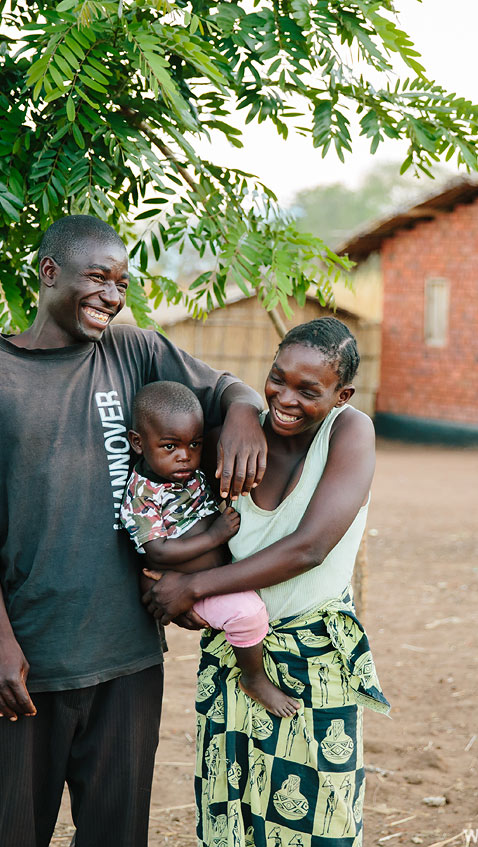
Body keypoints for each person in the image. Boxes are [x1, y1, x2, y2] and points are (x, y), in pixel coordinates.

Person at [0, 214, 268, 847]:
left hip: (126, 653)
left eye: (123, 283)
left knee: (117, 832)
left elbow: (227, 388)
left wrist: (243, 413)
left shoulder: (133, 351)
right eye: (99, 277)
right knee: (9, 832)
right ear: (49, 272)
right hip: (28, 657)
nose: (113, 295)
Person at [141, 317, 391, 847]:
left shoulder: (349, 432)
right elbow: (177, 513)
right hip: (234, 655)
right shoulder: (233, 437)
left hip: (315, 654)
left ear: (342, 394)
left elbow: (310, 547)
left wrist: (195, 588)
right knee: (233, 818)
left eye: (309, 390)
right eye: (277, 378)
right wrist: (178, 582)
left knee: (321, 819)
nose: (286, 397)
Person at [120, 380, 298, 718]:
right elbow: (157, 551)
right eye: (170, 446)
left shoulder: (187, 476)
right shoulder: (143, 494)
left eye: (194, 444)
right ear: (138, 443)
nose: (184, 456)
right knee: (247, 614)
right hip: (193, 584)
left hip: (212, 573)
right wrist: (215, 537)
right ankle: (254, 678)